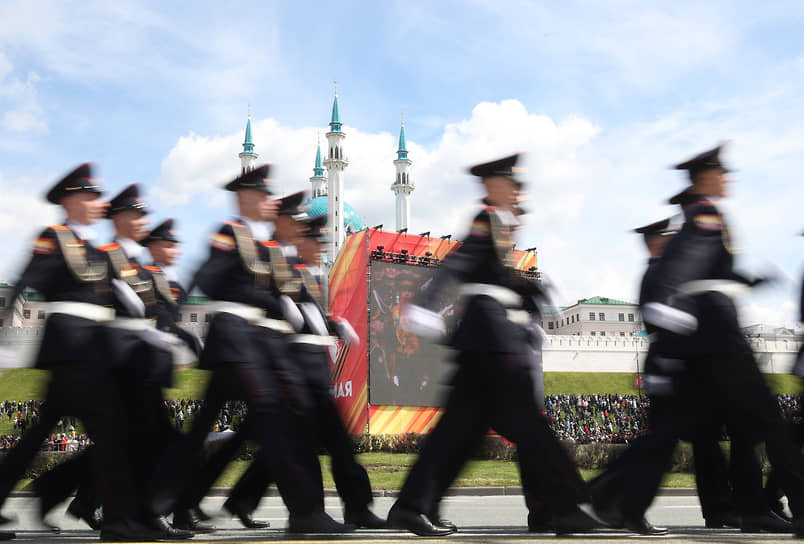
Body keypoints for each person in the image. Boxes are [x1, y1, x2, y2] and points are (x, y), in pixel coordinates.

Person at [387, 153, 604, 536]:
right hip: (491, 343)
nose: (519, 193)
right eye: (513, 184)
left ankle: (413, 505)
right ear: (493, 185)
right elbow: (459, 263)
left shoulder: (500, 228)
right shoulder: (486, 219)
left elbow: (494, 277)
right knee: (531, 430)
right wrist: (423, 304)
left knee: (458, 433)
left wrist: (530, 289)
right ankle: (566, 508)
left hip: (486, 343)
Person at [147, 165, 348, 533]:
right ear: (245, 197)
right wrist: (173, 320)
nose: (268, 201)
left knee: (221, 431)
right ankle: (304, 512)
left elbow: (285, 293)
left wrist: (304, 315)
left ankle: (176, 505)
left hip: (257, 344)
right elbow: (206, 278)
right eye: (263, 194)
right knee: (275, 422)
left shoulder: (266, 245)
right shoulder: (232, 233)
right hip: (234, 339)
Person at [618, 144, 804, 536]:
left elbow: (709, 274)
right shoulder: (705, 214)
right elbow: (683, 272)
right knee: (767, 421)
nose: (726, 179)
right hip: (718, 336)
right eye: (721, 173)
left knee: (725, 429)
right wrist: (672, 316)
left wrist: (752, 281)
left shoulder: (704, 217)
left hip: (707, 338)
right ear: (705, 177)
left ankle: (623, 501)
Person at [0, 164, 182, 541]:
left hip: (91, 352)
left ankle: (117, 517)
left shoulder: (98, 252)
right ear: (70, 199)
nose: (98, 202)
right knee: (113, 435)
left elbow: (122, 298)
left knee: (39, 438)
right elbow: (25, 281)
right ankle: (119, 522)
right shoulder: (55, 238)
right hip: (71, 349)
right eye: (91, 195)